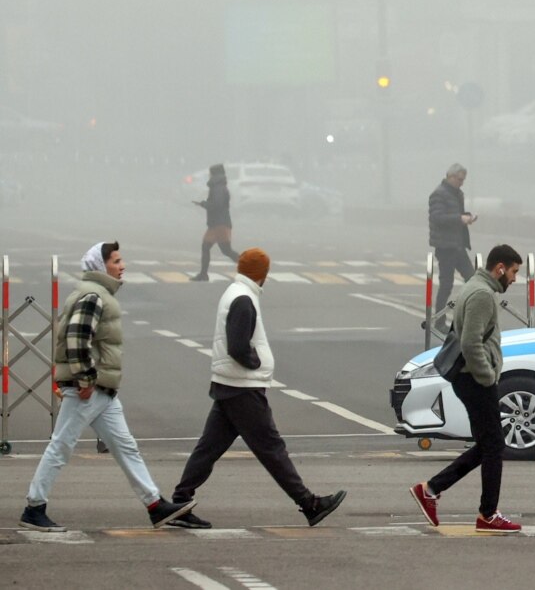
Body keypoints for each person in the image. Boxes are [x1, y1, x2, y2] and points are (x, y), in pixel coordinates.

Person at [19, 242, 196, 532]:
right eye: (116, 260)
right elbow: (77, 337)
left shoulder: (99, 294)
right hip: (88, 388)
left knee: (126, 448)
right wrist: (85, 378)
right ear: (101, 267)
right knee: (61, 446)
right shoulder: (93, 296)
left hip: (103, 391)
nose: (122, 265)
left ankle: (155, 505)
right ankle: (34, 507)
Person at [169, 248, 347, 528]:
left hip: (230, 384)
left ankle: (179, 502)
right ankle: (309, 503)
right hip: (242, 387)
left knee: (208, 449)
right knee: (271, 448)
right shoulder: (243, 298)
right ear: (262, 274)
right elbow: (238, 346)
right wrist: (256, 362)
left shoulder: (237, 291)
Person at [411, 244, 523, 534]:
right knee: (495, 445)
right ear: (500, 268)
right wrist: (487, 377)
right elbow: (471, 343)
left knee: (489, 444)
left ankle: (432, 489)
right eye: (513, 272)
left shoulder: (475, 286)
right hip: (474, 379)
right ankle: (488, 515)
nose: (514, 279)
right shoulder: (482, 295)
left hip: (470, 378)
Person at [428, 163, 477, 330]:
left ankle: (469, 317)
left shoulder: (456, 194)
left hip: (458, 245)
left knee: (473, 279)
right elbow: (437, 218)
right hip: (446, 247)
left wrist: (466, 217)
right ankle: (439, 321)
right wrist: (459, 218)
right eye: (459, 179)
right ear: (450, 176)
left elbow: (453, 215)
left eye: (463, 180)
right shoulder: (439, 194)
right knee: (446, 284)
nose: (461, 182)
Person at [191, 164, 239, 282]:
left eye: (210, 173)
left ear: (214, 174)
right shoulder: (219, 186)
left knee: (222, 249)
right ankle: (203, 274)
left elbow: (216, 204)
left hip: (219, 224)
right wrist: (204, 204)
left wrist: (204, 204)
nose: (209, 175)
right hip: (218, 223)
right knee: (217, 248)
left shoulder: (218, 188)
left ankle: (251, 269)